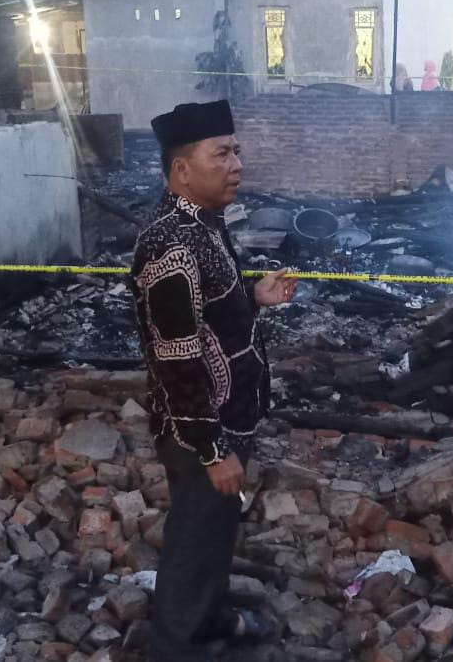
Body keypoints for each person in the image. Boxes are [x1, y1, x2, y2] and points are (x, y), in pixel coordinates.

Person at [132, 99, 297, 661]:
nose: (237, 165)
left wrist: (254, 297)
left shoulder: (203, 225)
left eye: (237, 151)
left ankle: (212, 619)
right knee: (194, 539)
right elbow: (177, 360)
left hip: (227, 420)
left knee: (215, 531)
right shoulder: (170, 246)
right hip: (199, 430)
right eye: (221, 153)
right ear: (182, 169)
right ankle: (177, 647)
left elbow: (205, 317)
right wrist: (211, 450)